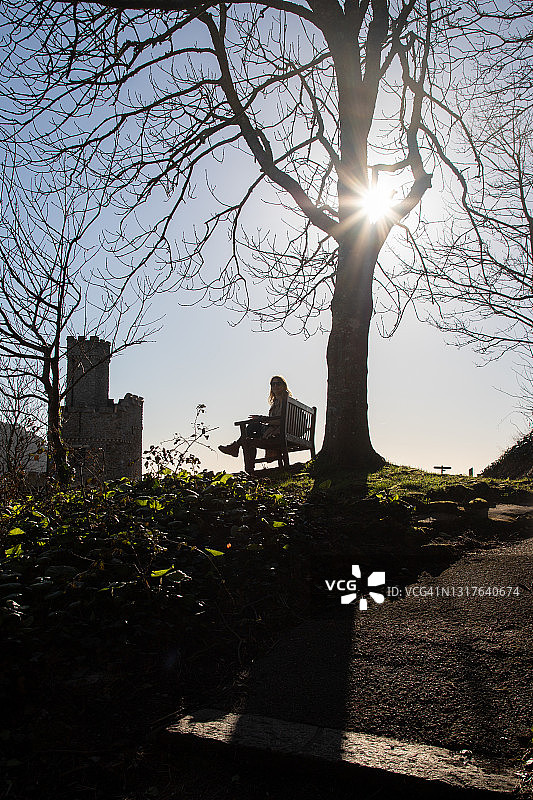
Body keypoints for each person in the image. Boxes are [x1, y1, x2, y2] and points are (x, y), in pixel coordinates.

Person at [218, 375, 291, 460]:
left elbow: (280, 421)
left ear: (284, 385)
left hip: (278, 433)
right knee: (249, 436)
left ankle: (236, 449)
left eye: (278, 383)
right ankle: (235, 448)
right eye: (272, 384)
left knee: (252, 427)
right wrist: (260, 418)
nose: (275, 386)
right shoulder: (278, 402)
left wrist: (261, 419)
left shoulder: (284, 401)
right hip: (279, 432)